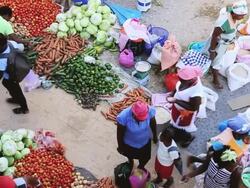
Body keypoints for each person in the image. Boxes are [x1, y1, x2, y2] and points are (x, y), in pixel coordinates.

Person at [202, 0, 248, 89]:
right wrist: (212, 50)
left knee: (223, 58)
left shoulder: (231, 10)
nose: (243, 17)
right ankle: (215, 80)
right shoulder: (222, 24)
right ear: (234, 14)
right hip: (220, 44)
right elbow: (214, 37)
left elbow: (227, 7)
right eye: (241, 15)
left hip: (228, 41)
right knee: (216, 62)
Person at [167, 65, 203, 147]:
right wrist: (172, 94)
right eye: (179, 78)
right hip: (177, 108)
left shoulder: (196, 93)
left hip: (186, 113)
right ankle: (176, 128)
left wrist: (176, 100)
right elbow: (177, 87)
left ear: (191, 80)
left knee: (183, 126)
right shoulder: (185, 80)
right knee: (176, 122)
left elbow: (193, 108)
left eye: (181, 79)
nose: (179, 80)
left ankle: (188, 138)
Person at [116, 100, 158, 171]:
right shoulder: (123, 117)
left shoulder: (149, 110)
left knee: (146, 158)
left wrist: (155, 135)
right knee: (130, 155)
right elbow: (119, 134)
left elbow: (153, 122)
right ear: (133, 114)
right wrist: (120, 146)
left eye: (144, 118)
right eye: (140, 119)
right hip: (130, 143)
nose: (143, 120)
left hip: (145, 141)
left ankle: (141, 166)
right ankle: (130, 161)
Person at [0, 33, 29, 114]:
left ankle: (24, 108)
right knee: (5, 83)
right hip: (17, 65)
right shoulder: (11, 43)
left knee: (16, 90)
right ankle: (15, 99)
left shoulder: (2, 61)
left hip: (12, 75)